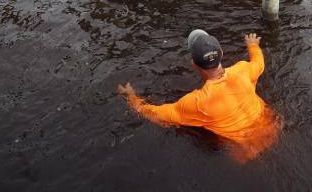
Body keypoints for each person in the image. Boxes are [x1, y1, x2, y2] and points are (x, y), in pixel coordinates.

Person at [118, 30, 280, 163]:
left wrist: (131, 98)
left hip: (246, 153)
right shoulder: (243, 70)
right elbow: (259, 63)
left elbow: (156, 114)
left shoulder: (197, 103)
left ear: (194, 64)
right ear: (221, 53)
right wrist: (253, 46)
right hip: (274, 130)